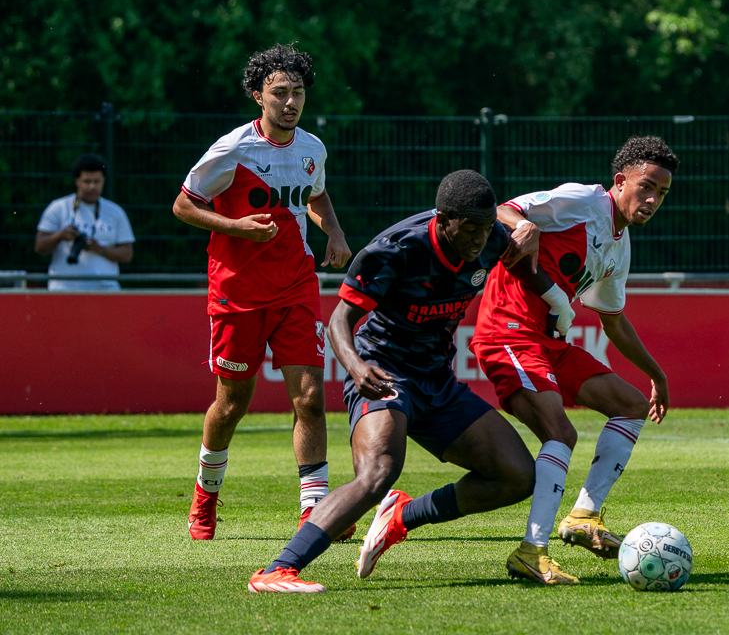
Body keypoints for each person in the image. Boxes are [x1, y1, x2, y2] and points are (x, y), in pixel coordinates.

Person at [247, 169, 536, 593]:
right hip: (383, 369)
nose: (480, 239)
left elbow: (519, 236)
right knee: (378, 471)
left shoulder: (492, 240)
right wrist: (356, 368)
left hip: (436, 378)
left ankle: (402, 517)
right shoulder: (396, 249)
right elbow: (339, 321)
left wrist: (556, 301)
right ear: (443, 218)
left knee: (517, 475)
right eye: (471, 229)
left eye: (487, 228)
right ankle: (277, 569)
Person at [469, 135, 680, 585]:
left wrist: (655, 375)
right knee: (560, 432)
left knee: (629, 405)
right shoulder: (584, 201)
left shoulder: (619, 247)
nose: (651, 200)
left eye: (661, 193)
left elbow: (615, 322)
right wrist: (519, 225)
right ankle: (532, 550)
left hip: (549, 343)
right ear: (620, 181)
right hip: (507, 330)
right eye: (645, 187)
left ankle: (584, 515)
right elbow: (505, 209)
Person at [172, 43, 352, 541]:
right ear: (258, 96)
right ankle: (205, 496)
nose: (291, 102)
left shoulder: (312, 148)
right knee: (232, 404)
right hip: (237, 292)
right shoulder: (233, 149)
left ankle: (316, 513)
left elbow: (316, 194)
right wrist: (236, 227)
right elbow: (183, 207)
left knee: (311, 399)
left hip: (296, 284)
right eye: (279, 93)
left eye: (297, 93)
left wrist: (332, 231)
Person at [35, 153, 135, 291]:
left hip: (105, 289)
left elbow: (127, 254)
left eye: (97, 181)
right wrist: (60, 236)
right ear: (77, 180)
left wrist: (99, 249)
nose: (92, 187)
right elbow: (39, 247)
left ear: (104, 180)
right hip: (64, 289)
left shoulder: (116, 212)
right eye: (87, 181)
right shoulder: (58, 207)